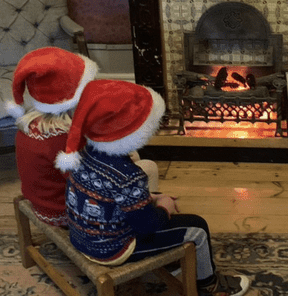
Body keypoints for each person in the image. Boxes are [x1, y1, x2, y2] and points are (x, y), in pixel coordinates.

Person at [57, 79, 252, 296]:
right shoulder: (129, 176)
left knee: (172, 219)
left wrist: (150, 197)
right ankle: (210, 285)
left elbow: (109, 198)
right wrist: (165, 207)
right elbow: (148, 226)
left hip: (81, 238)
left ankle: (174, 259)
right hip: (113, 249)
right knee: (197, 227)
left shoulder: (82, 154)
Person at [5, 46, 158, 227]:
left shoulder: (29, 124)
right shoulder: (66, 138)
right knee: (148, 167)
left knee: (132, 158)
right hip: (69, 211)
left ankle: (141, 206)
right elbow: (88, 181)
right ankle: (144, 219)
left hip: (41, 203)